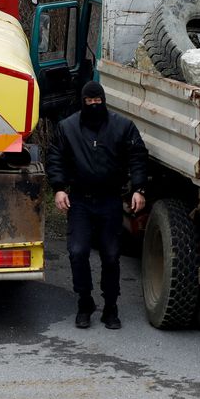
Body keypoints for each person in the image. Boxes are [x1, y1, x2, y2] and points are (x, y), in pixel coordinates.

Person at [47, 81, 148, 330]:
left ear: (104, 101)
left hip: (110, 200)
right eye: (89, 103)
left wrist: (139, 188)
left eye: (98, 102)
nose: (94, 106)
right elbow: (55, 157)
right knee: (78, 251)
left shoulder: (122, 127)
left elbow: (138, 157)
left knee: (111, 256)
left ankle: (111, 306)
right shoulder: (67, 127)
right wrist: (58, 188)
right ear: (82, 102)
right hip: (80, 200)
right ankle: (84, 302)